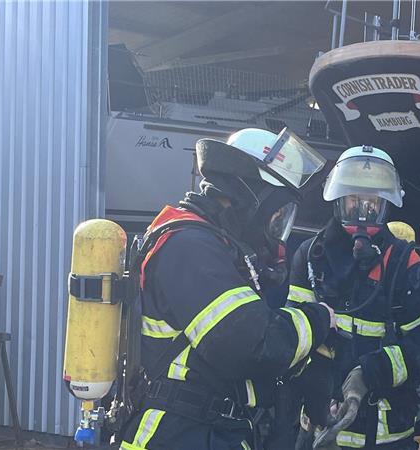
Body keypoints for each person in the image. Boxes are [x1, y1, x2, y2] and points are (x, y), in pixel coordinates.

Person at [118, 127, 336, 450]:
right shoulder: (190, 246)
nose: (278, 234)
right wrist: (317, 320)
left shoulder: (217, 250)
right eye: (278, 217)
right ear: (250, 199)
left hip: (206, 431)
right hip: (177, 435)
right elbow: (249, 345)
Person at [287, 145, 420, 449]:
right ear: (338, 201)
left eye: (372, 204)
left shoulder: (405, 264)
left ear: (386, 205)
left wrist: (372, 372)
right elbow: (291, 335)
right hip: (321, 426)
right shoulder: (311, 257)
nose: (362, 212)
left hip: (386, 433)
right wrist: (311, 391)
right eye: (353, 202)